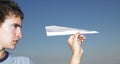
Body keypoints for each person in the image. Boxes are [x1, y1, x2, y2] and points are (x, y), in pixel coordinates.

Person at [0, 0, 85, 64]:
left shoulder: (23, 62)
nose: (20, 35)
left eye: (20, 28)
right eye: (15, 26)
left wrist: (76, 54)